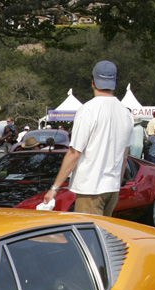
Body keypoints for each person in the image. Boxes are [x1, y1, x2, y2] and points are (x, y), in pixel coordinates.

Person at [43, 60, 133, 216]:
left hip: (91, 188)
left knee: (88, 238)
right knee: (103, 235)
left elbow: (74, 153)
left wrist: (54, 188)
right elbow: (125, 156)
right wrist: (117, 184)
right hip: (112, 187)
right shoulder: (125, 112)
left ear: (93, 82)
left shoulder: (88, 110)